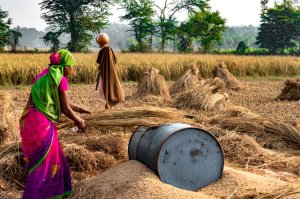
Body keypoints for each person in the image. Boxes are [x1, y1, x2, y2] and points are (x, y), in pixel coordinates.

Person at [19, 49, 90, 199]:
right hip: (42, 123)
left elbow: (58, 100)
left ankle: (49, 192)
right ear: (64, 66)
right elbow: (64, 108)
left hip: (30, 120)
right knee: (46, 162)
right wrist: (80, 121)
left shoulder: (44, 74)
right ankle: (41, 195)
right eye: (71, 66)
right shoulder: (61, 79)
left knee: (42, 160)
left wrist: (78, 109)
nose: (72, 69)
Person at [95, 32, 125, 109]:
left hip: (106, 73)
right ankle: (108, 106)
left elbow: (103, 62)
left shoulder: (106, 50)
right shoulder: (107, 49)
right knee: (107, 88)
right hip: (106, 73)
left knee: (108, 88)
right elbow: (112, 62)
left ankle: (108, 105)